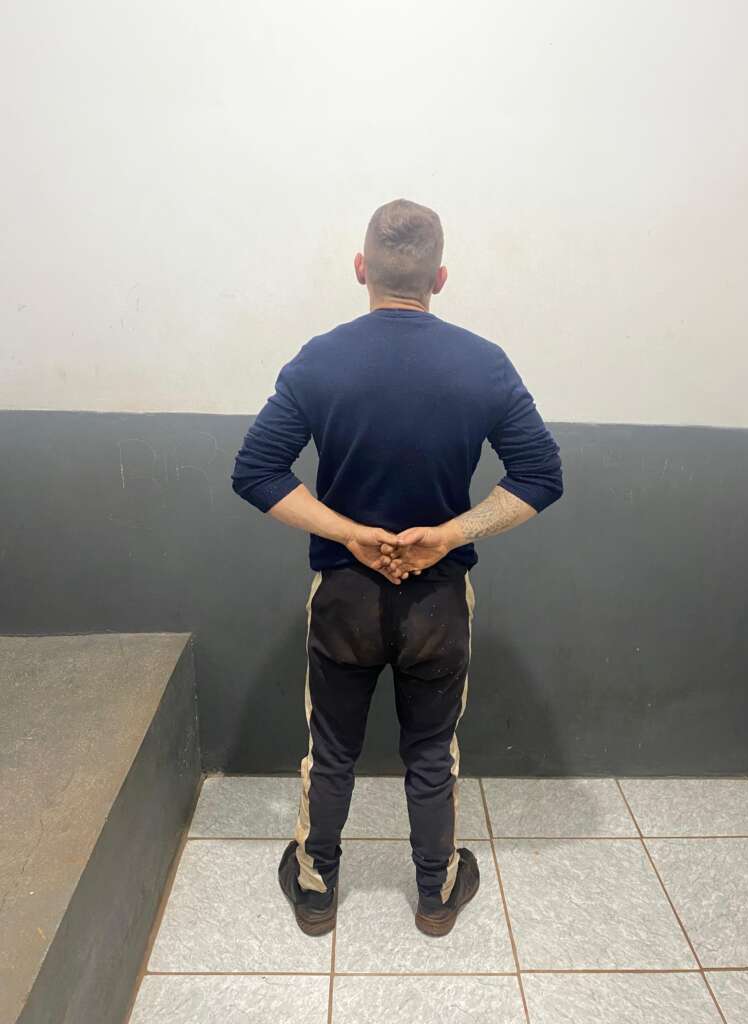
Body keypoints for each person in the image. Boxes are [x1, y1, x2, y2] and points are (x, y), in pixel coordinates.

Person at [231, 198, 563, 938]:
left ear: (361, 269)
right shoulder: (484, 363)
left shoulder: (319, 359)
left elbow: (255, 472)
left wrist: (350, 534)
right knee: (431, 752)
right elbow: (541, 476)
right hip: (438, 600)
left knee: (332, 750)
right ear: (440, 278)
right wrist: (447, 535)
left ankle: (316, 890)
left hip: (344, 596)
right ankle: (435, 895)